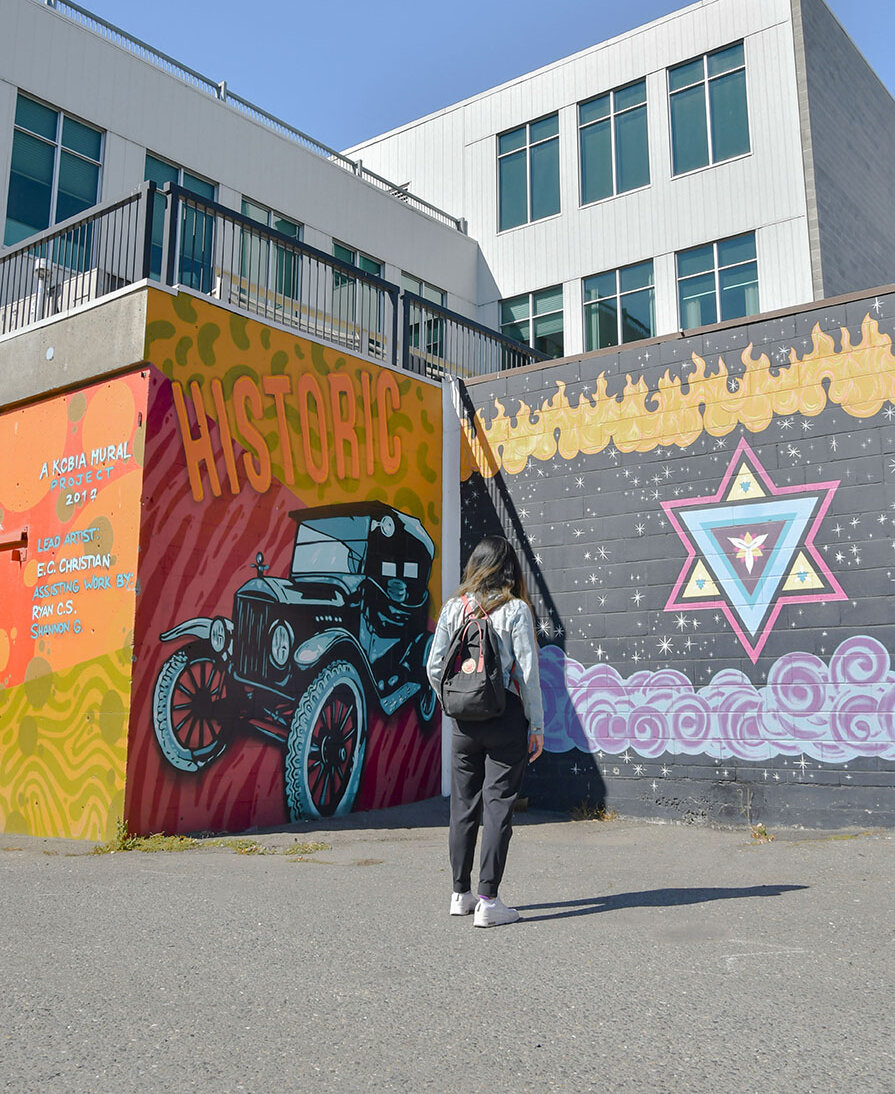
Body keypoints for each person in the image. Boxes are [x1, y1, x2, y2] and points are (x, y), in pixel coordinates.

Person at [426, 535, 544, 928]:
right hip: (505, 716)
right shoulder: (516, 609)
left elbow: (434, 666)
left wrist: (454, 702)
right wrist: (537, 725)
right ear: (509, 568)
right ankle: (488, 901)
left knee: (462, 807)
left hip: (463, 722)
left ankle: (460, 894)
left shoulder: (454, 607)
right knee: (497, 809)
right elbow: (527, 674)